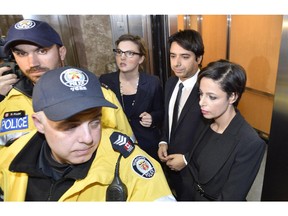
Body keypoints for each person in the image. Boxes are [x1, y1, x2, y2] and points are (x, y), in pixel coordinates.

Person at [0, 66, 175, 201]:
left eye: (95, 122)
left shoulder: (127, 162)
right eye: (70, 126)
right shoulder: (10, 158)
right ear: (39, 123)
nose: (88, 138)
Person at [0, 19, 134, 147]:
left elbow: (129, 152)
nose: (33, 63)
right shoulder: (6, 102)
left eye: (42, 51)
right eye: (21, 53)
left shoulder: (101, 96)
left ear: (61, 52)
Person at [183, 59, 266, 201]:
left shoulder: (250, 143)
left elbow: (231, 198)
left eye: (212, 97)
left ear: (232, 97)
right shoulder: (205, 121)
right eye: (201, 94)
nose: (201, 102)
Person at [99, 34, 164, 161]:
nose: (122, 57)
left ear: (141, 59)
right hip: (116, 147)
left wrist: (152, 117)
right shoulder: (105, 81)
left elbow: (161, 112)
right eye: (119, 52)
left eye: (129, 53)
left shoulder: (152, 82)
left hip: (146, 146)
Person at [157, 29, 205, 200]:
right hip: (171, 166)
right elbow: (168, 119)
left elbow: (214, 135)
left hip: (196, 172)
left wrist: (186, 159)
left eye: (185, 57)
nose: (176, 63)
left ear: (198, 59)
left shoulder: (207, 89)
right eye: (172, 56)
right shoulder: (170, 83)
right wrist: (163, 141)